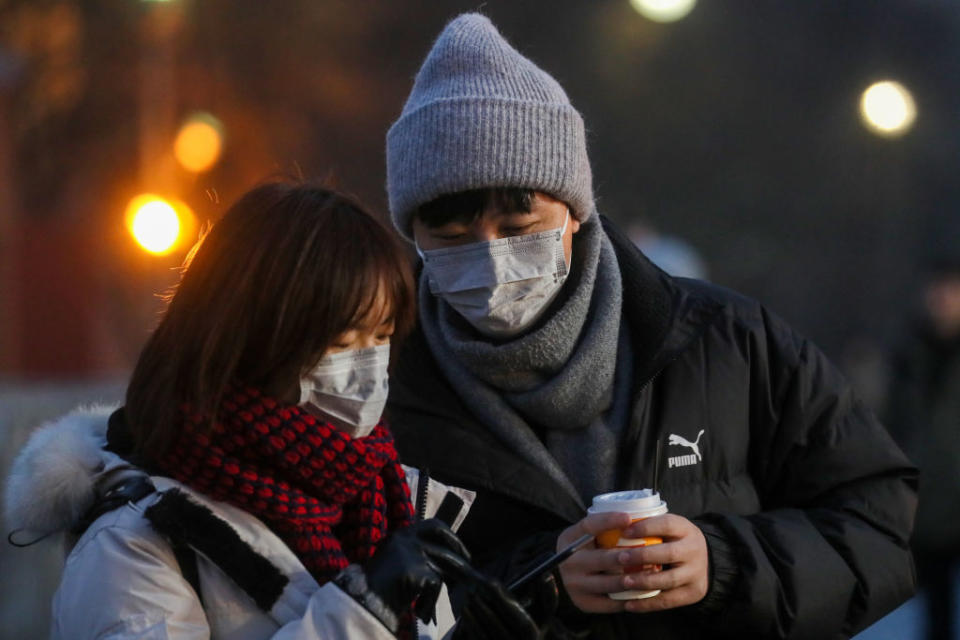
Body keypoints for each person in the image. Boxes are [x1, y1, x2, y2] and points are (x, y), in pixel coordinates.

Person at [382, 13, 919, 639]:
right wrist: (540, 585)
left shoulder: (726, 342)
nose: (489, 254)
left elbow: (879, 527)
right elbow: (351, 603)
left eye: (519, 226)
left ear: (574, 210)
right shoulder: (382, 384)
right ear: (410, 234)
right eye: (448, 234)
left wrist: (720, 565)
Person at [3, 182, 528, 639]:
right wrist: (363, 614)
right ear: (249, 343)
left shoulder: (382, 497)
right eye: (342, 341)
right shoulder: (133, 545)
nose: (370, 366)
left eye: (383, 336)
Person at [886, 252, 960, 640]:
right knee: (934, 618)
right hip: (927, 510)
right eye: (937, 289)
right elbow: (894, 430)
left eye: (951, 289)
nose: (942, 299)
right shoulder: (909, 355)